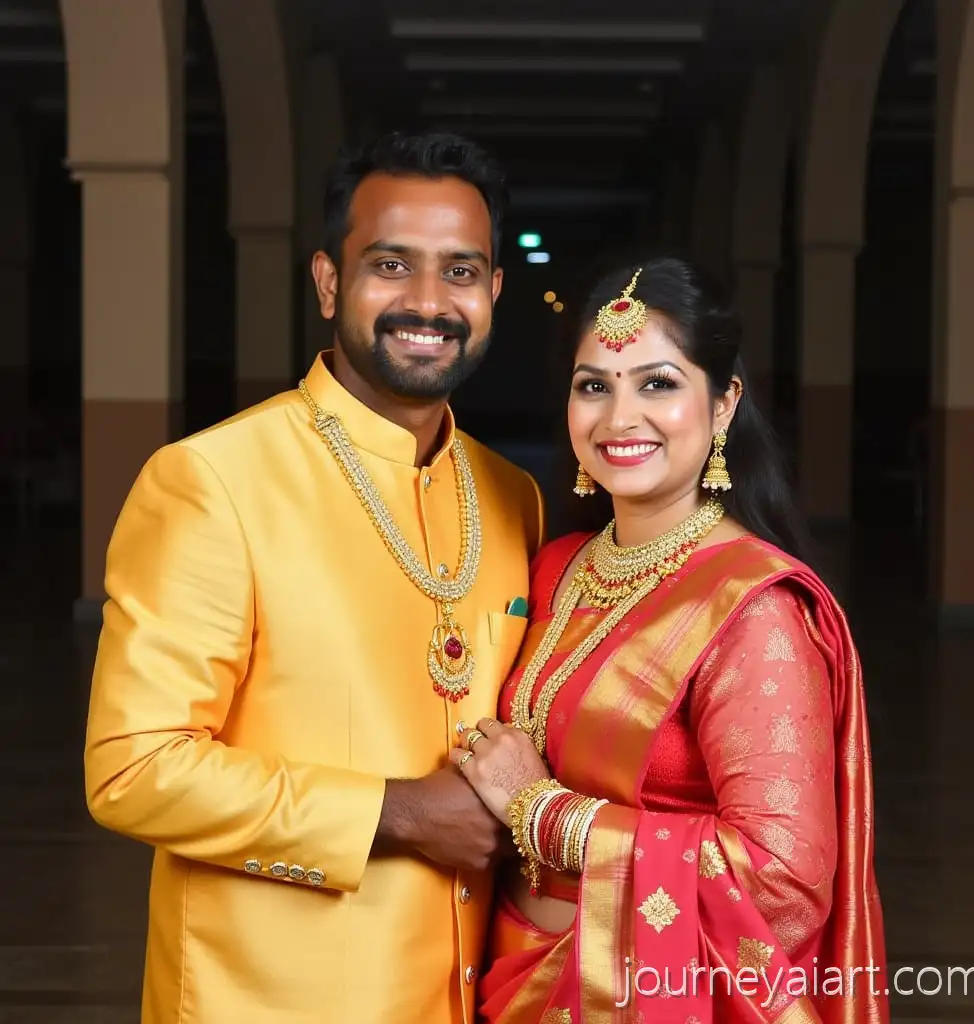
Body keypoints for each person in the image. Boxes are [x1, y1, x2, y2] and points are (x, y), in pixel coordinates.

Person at [83, 131, 545, 1024]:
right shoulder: (213, 480)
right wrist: (396, 813)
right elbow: (132, 768)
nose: (426, 300)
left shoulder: (509, 495)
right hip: (266, 1000)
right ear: (330, 280)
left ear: (492, 293)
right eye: (391, 264)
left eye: (459, 271)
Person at [451, 257, 890, 1022]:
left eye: (658, 383)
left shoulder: (753, 611)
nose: (620, 418)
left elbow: (784, 880)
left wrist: (540, 809)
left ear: (723, 405)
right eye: (595, 385)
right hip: (507, 976)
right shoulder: (558, 567)